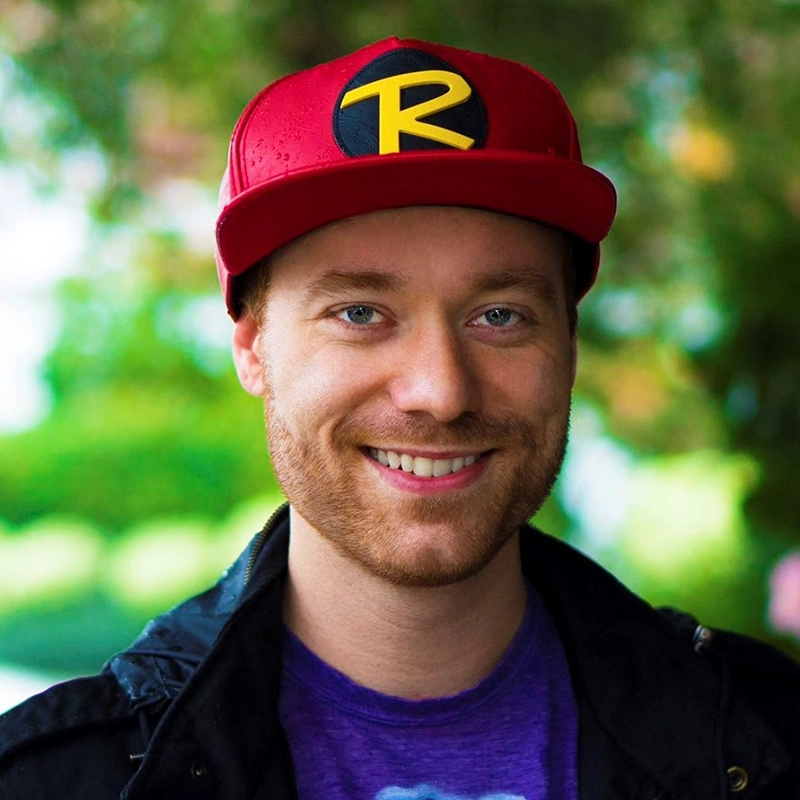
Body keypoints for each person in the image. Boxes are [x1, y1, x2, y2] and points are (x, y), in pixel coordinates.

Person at [0, 36, 798, 800]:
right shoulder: (51, 781)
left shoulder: (769, 742)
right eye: (359, 312)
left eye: (499, 315)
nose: (440, 391)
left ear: (569, 341)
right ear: (251, 345)